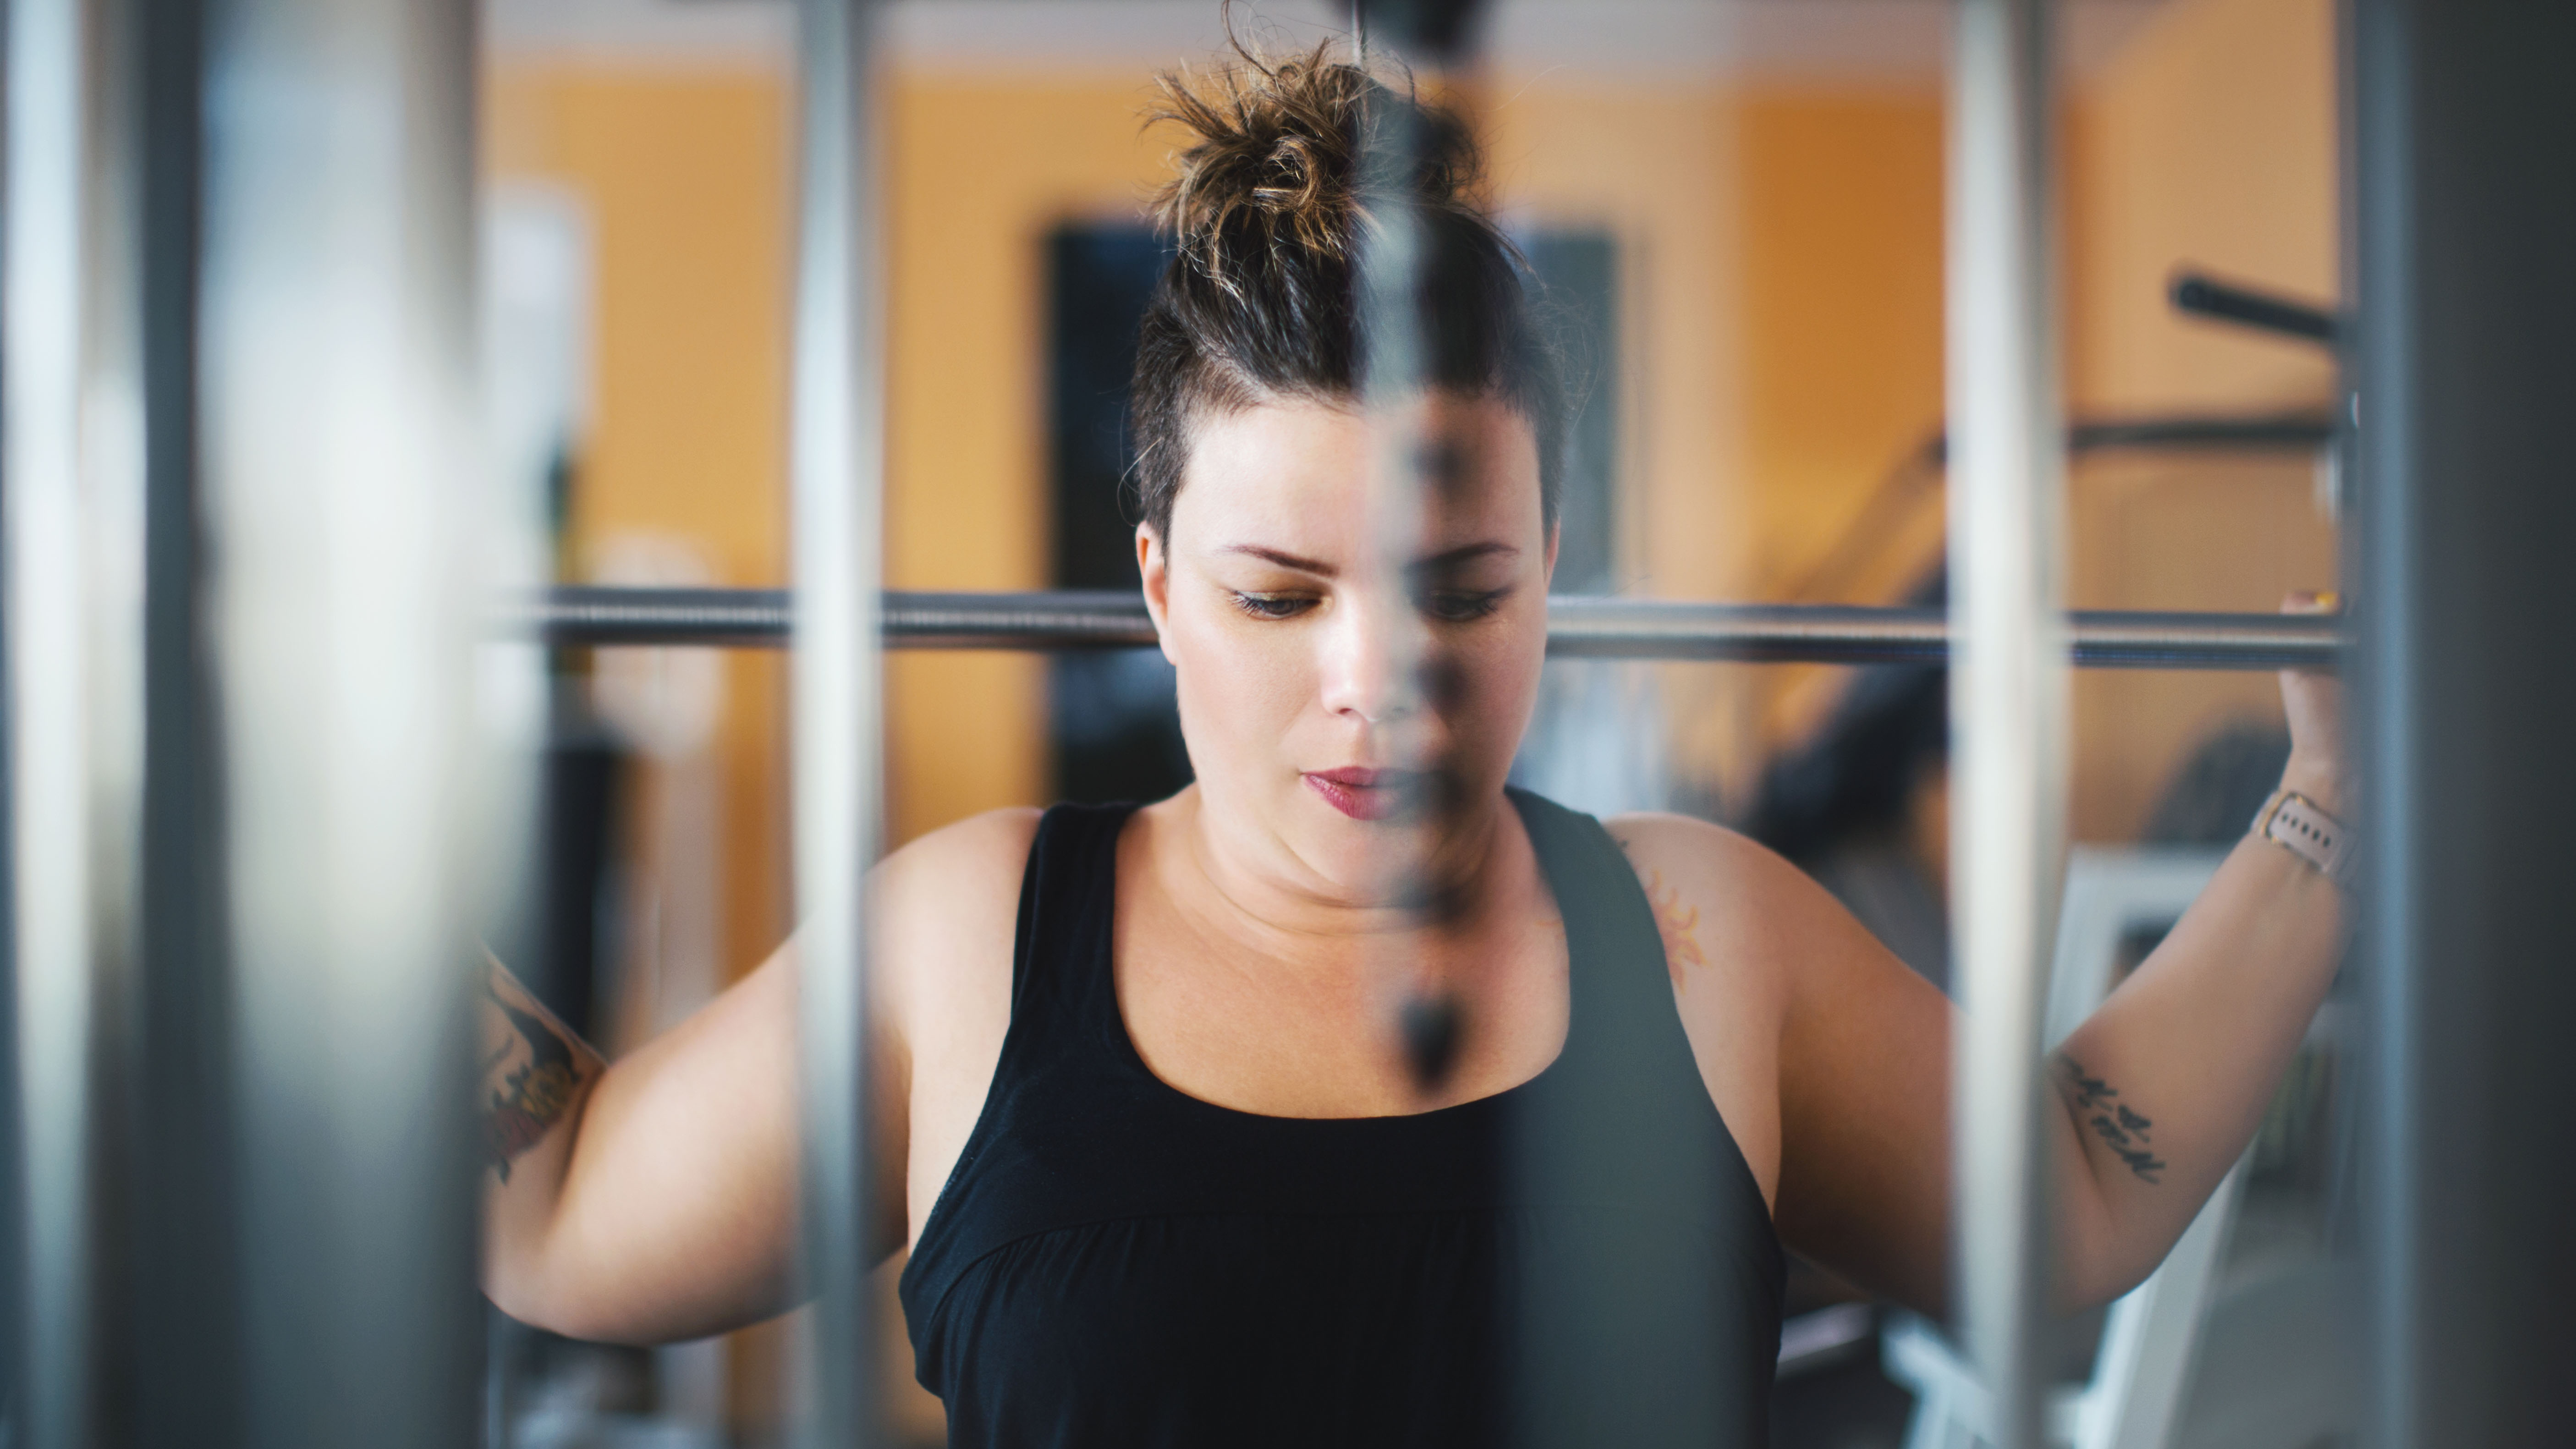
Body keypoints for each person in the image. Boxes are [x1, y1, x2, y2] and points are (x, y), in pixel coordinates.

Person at [477, 46, 2351, 1449]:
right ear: (1152, 587)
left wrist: (2330, 800)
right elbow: (556, 1208)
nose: (1380, 681)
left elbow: (2074, 1191)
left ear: (1550, 565)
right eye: (1280, 595)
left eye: (1459, 588)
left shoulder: (1700, 934)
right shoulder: (970, 939)